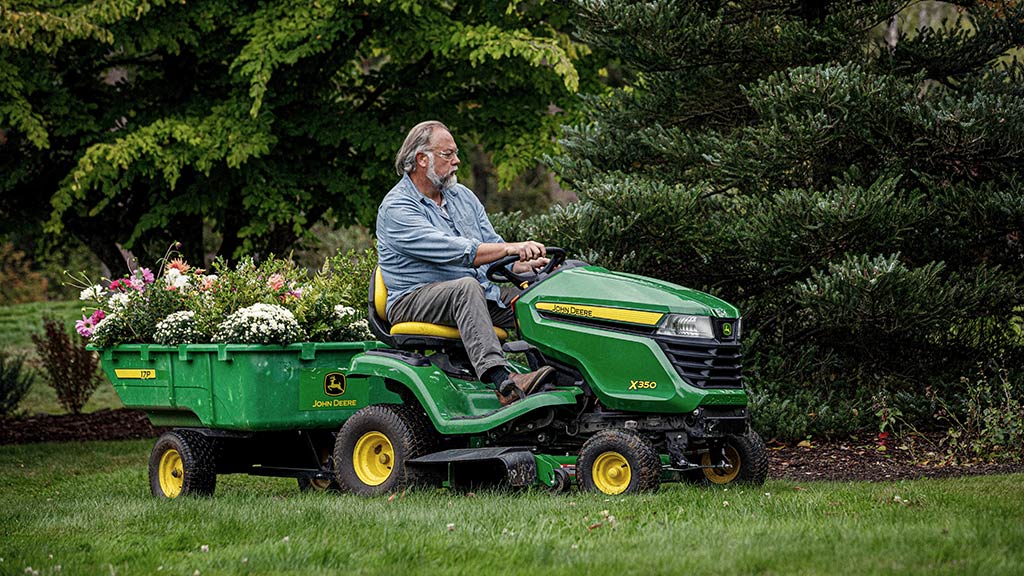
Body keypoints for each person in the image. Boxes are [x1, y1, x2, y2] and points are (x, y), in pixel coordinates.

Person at [376, 121, 554, 406]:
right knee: (465, 287)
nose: (457, 161)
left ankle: (563, 377)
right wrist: (509, 247)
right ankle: (503, 381)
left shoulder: (463, 198)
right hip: (413, 298)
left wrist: (531, 266)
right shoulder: (397, 208)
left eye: (455, 153)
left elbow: (497, 253)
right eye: (448, 154)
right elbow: (456, 251)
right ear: (422, 159)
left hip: (475, 294)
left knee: (541, 300)